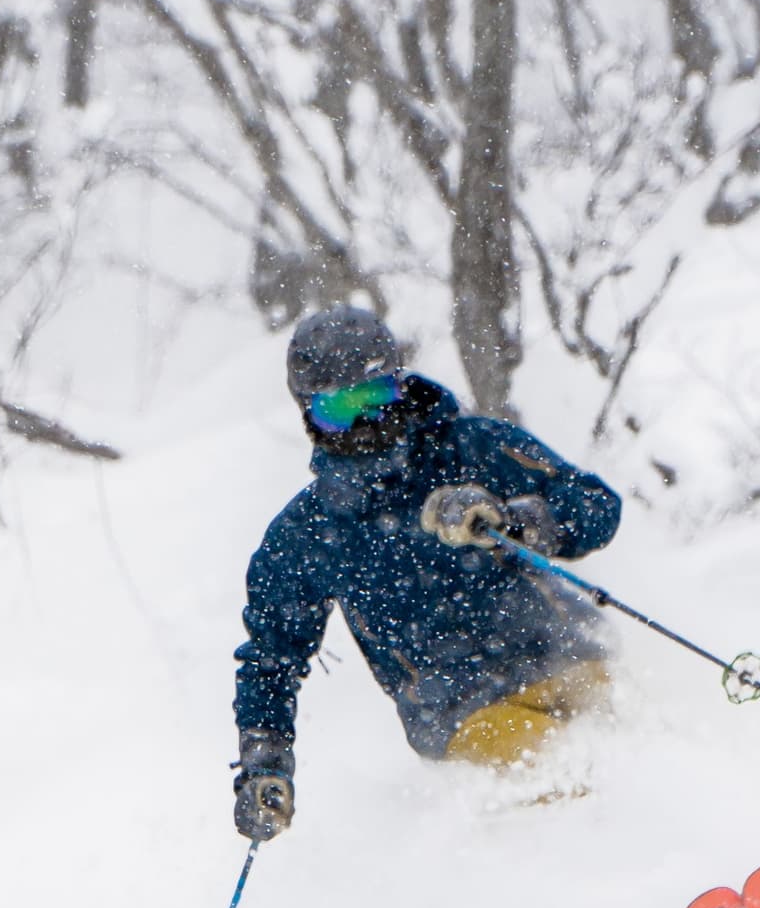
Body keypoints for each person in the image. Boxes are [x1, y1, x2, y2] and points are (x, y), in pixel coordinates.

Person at [230, 307, 623, 842]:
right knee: (563, 774)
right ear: (309, 415)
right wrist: (265, 761)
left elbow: (595, 504)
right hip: (466, 709)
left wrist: (518, 520)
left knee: (643, 741)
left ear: (399, 385)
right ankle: (633, 884)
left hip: (568, 655)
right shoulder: (310, 533)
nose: (366, 420)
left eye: (375, 395)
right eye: (340, 408)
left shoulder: (474, 448)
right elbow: (271, 659)